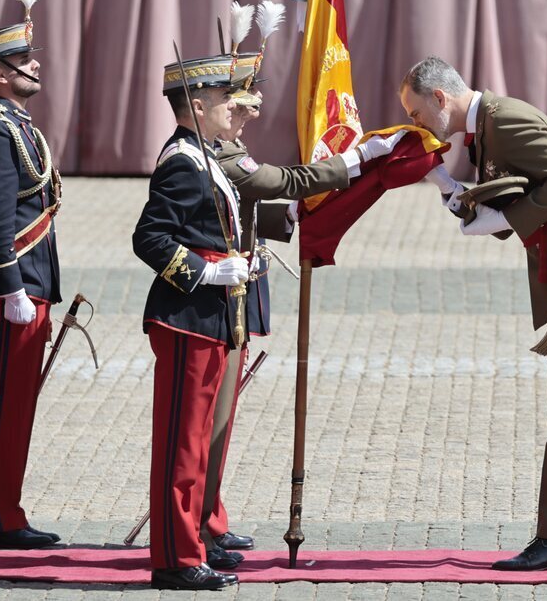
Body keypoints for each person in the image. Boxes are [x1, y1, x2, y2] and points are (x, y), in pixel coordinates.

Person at [132, 53, 401, 589]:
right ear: (199, 105)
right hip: (188, 317)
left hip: (210, 319)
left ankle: (190, 545)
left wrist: (254, 247)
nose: (238, 108)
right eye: (227, 101)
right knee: (182, 447)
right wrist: (208, 273)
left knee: (199, 439)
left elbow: (224, 220)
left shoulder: (205, 155)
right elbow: (150, 238)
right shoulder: (183, 161)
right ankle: (174, 560)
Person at [400, 56, 547, 571]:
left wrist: (504, 217)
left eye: (418, 114)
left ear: (440, 98)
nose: (419, 124)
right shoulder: (487, 128)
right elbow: (525, 190)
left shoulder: (503, 119)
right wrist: (458, 195)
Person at [199, 74, 406, 570]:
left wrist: (287, 216)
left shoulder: (222, 148)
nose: (248, 113)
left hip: (232, 297)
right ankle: (197, 528)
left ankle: (207, 521)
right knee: (207, 423)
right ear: (205, 104)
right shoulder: (217, 153)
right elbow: (273, 182)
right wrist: (355, 161)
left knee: (218, 422)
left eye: (247, 104)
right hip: (213, 300)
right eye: (238, 103)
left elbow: (239, 208)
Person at [0, 0, 63, 550]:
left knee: (17, 407)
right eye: (23, 60)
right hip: (15, 289)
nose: (34, 65)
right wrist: (11, 289)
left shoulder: (18, 124)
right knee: (0, 404)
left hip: (33, 282)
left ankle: (6, 512)